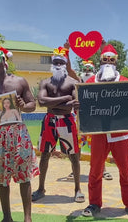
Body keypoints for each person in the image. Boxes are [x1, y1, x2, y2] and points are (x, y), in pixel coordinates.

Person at [0, 41, 39, 222]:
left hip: (19, 133)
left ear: (4, 60)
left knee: (24, 175)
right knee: (2, 177)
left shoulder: (19, 81)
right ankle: (7, 217)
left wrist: (23, 106)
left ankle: (27, 218)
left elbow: (32, 105)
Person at [80, 44, 128, 219]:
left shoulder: (125, 82)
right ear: (100, 61)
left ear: (116, 62)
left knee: (126, 170)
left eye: (111, 60)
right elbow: (84, 107)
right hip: (99, 135)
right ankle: (94, 203)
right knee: (95, 171)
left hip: (121, 135)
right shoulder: (89, 83)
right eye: (105, 59)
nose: (108, 62)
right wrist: (79, 106)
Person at [32, 46, 85, 203]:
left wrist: (54, 103)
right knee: (45, 155)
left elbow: (72, 106)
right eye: (55, 62)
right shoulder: (45, 82)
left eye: (61, 62)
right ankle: (41, 188)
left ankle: (77, 189)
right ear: (52, 63)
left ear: (66, 64)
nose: (58, 64)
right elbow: (41, 101)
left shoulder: (73, 82)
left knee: (74, 156)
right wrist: (64, 99)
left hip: (67, 121)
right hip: (49, 120)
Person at [66, 59, 113, 181]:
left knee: (98, 145)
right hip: (80, 118)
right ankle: (74, 171)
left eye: (89, 69)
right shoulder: (79, 81)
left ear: (94, 70)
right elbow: (70, 71)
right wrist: (66, 52)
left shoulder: (99, 81)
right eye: (85, 69)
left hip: (95, 118)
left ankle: (103, 170)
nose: (87, 72)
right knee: (78, 146)